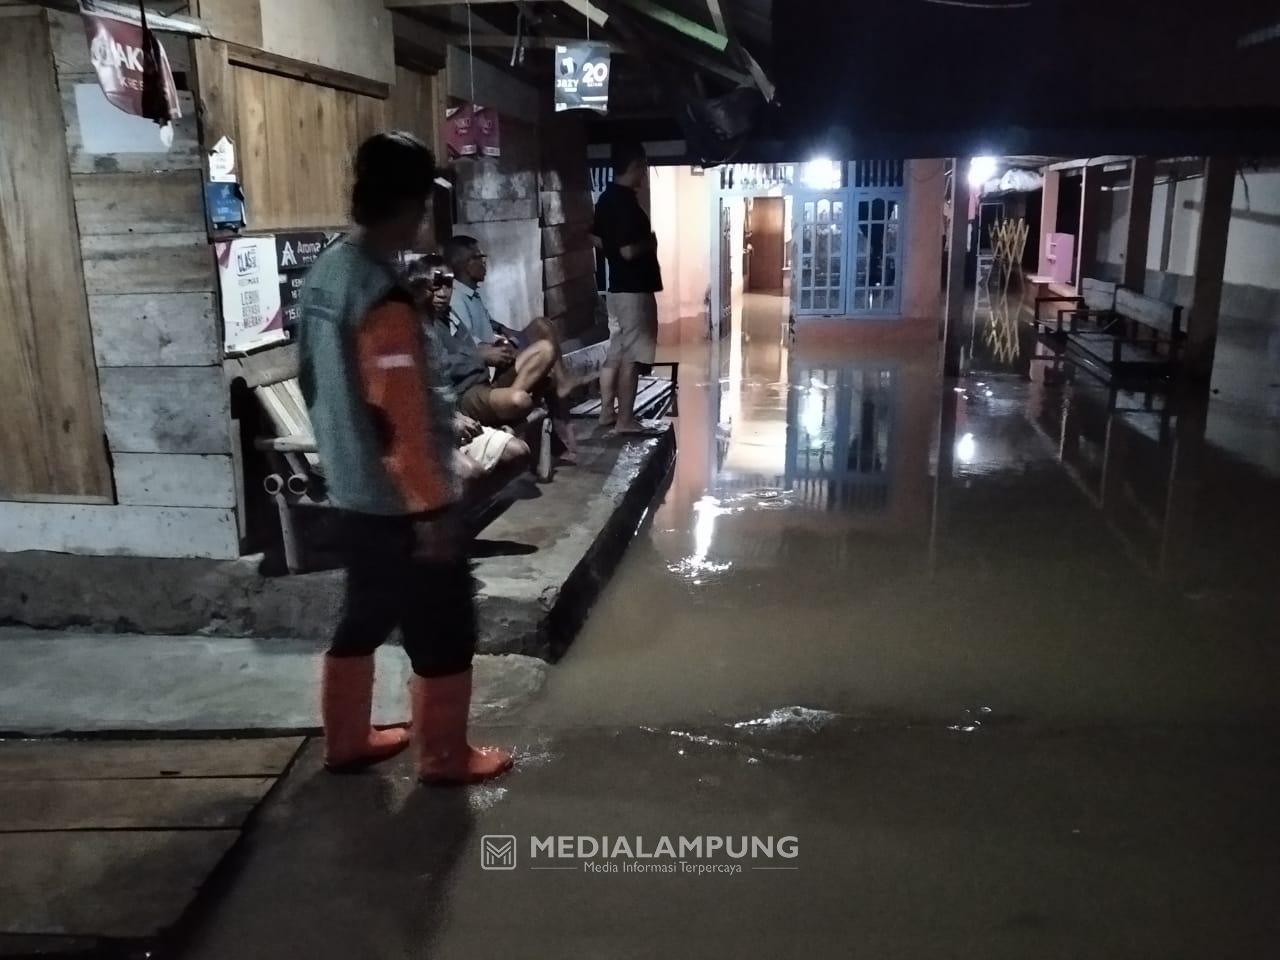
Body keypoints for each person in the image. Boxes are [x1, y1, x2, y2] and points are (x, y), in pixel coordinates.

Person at [297, 131, 512, 785]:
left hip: (353, 490)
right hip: (402, 500)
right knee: (443, 625)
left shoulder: (329, 274)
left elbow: (312, 380)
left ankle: (345, 741)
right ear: (415, 204)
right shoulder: (381, 295)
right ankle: (445, 756)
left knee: (363, 614)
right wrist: (430, 510)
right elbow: (401, 416)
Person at [405, 254, 532, 498]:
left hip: (455, 410)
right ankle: (452, 517)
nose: (441, 293)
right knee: (470, 472)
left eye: (447, 285)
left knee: (519, 452)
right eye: (434, 287)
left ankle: (466, 507)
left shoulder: (444, 322)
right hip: (428, 428)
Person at [443, 236, 579, 460]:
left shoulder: (471, 294)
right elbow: (470, 344)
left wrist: (507, 335)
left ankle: (553, 393)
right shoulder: (456, 298)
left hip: (494, 362)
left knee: (543, 329)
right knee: (544, 371)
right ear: (464, 264)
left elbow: (490, 324)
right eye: (478, 257)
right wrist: (495, 349)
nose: (484, 262)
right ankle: (515, 415)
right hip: (478, 377)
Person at [591, 141, 664, 435]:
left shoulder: (606, 199)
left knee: (617, 352)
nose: (644, 175)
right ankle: (625, 420)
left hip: (616, 289)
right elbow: (628, 252)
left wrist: (613, 250)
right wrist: (651, 242)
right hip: (634, 291)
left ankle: (607, 413)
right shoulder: (625, 205)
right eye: (643, 168)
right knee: (632, 357)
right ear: (634, 167)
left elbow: (595, 240)